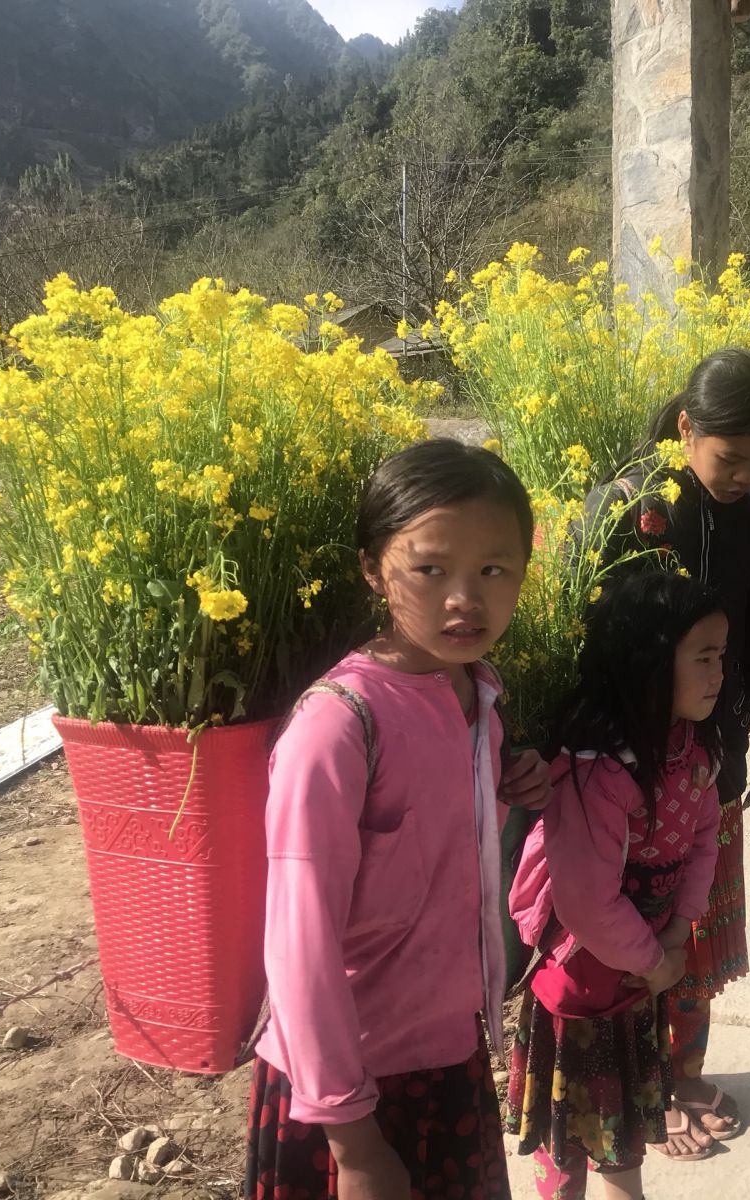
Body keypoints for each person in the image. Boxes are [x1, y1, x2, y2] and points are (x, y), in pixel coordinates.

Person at [245, 440, 552, 1200]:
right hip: (349, 1093)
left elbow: (438, 858)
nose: (465, 599)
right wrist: (352, 1144)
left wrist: (511, 793)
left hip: (448, 1058)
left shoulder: (476, 695)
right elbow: (299, 944)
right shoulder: (338, 728)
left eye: (494, 569)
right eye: (430, 568)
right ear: (372, 569)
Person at [585, 347, 750, 1156]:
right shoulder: (632, 506)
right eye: (729, 456)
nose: (745, 473)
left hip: (713, 767)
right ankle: (641, 1083)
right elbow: (593, 641)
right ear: (685, 429)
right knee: (638, 937)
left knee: (693, 931)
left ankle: (684, 1071)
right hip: (631, 775)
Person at [506, 572, 729, 1195]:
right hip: (580, 989)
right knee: (568, 1142)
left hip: (635, 979)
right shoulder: (600, 772)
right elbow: (586, 902)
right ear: (651, 664)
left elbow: (705, 840)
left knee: (622, 1139)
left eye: (722, 656)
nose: (718, 674)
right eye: (703, 657)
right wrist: (657, 958)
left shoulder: (691, 752)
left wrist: (680, 933)